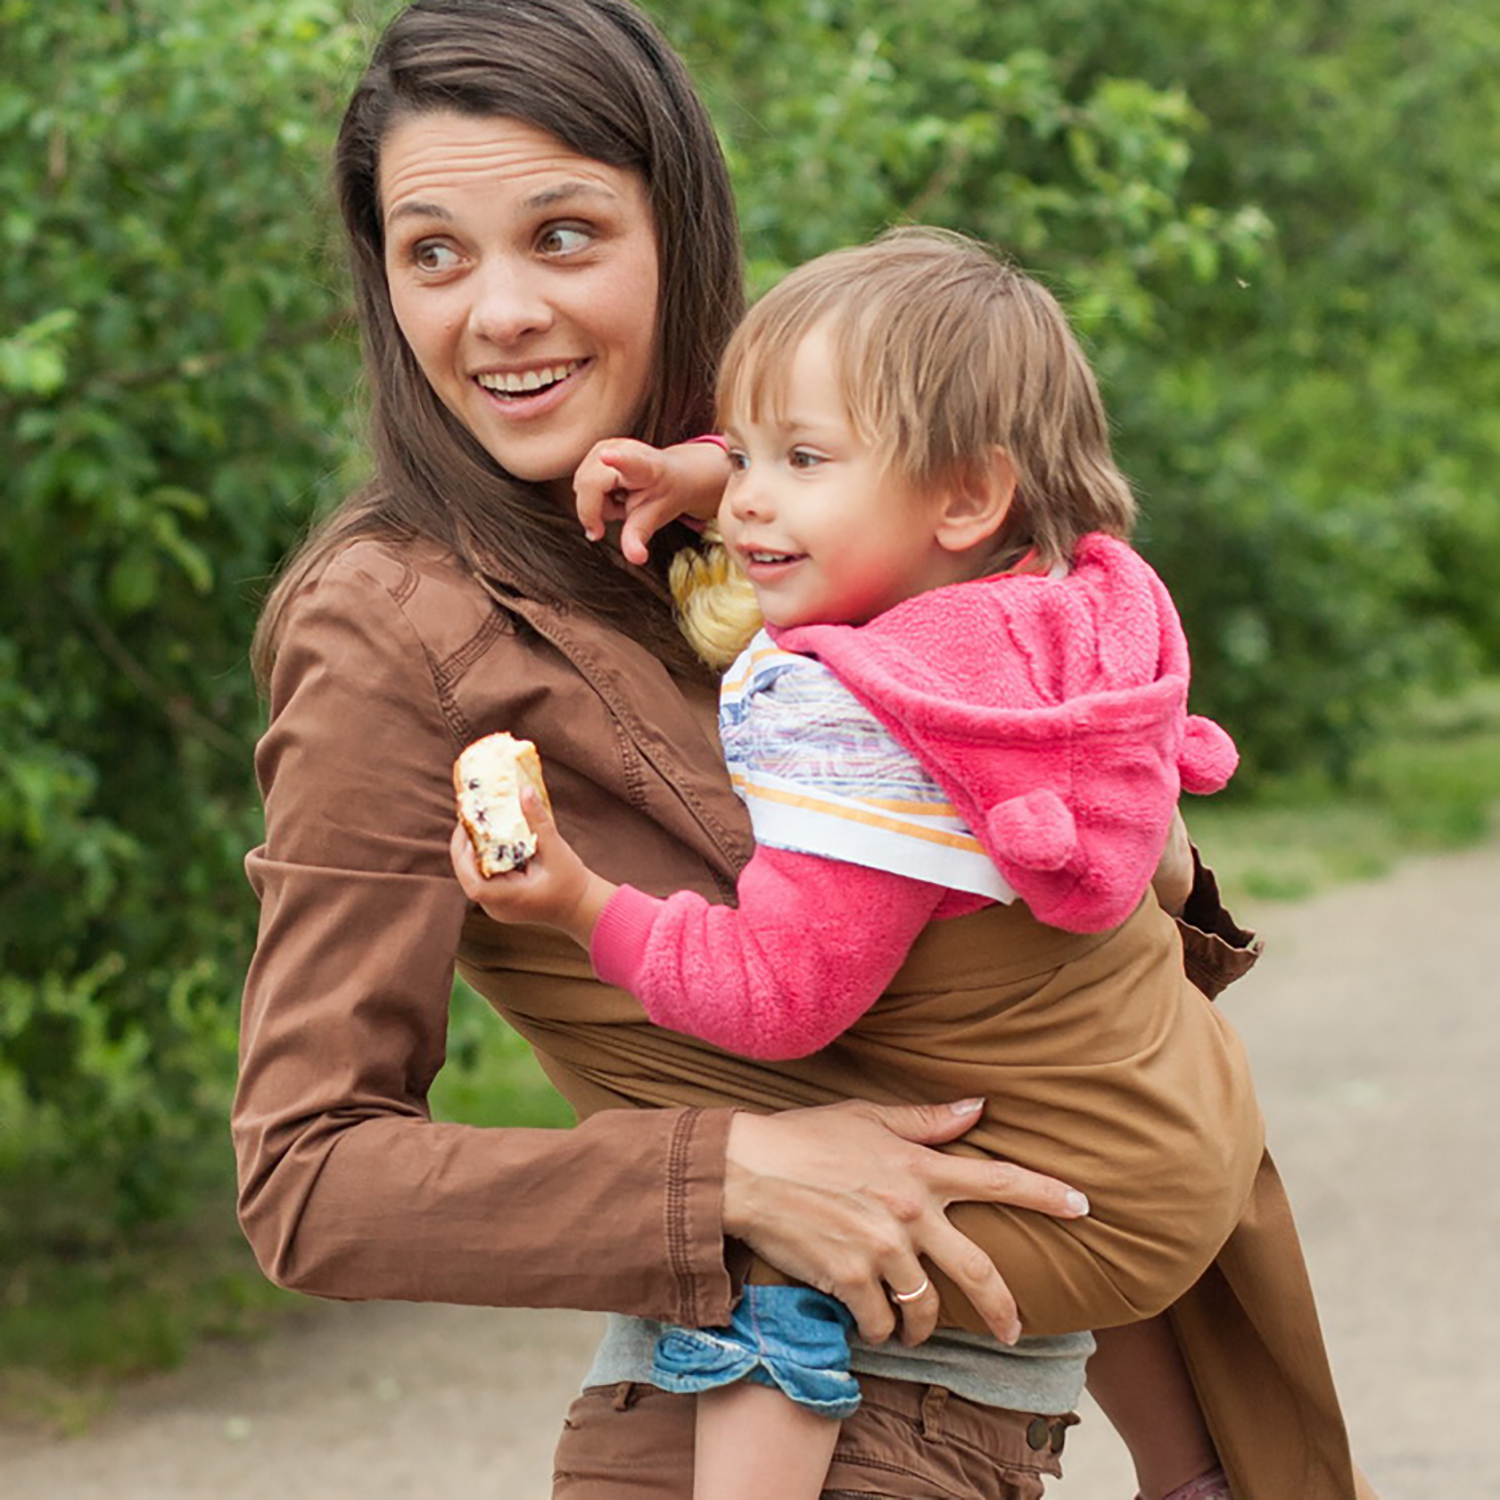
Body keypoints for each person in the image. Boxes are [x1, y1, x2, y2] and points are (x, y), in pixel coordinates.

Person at [234, 2, 1372, 1497]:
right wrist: (733, 1174)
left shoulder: (819, 495)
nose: (496, 310)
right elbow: (309, 1175)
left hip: (1008, 1411)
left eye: (564, 234)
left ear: (681, 229)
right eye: (434, 252)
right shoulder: (394, 624)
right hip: (767, 1423)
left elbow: (1051, 934)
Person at [454, 226, 1253, 1500]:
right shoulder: (1058, 602)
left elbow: (780, 999)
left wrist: (576, 902)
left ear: (964, 497)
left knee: (763, 1227)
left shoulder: (863, 726)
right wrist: (702, 469)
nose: (753, 496)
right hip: (1190, 1119)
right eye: (749, 450)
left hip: (1086, 1197)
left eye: (800, 460)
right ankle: (1193, 1473)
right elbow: (874, 486)